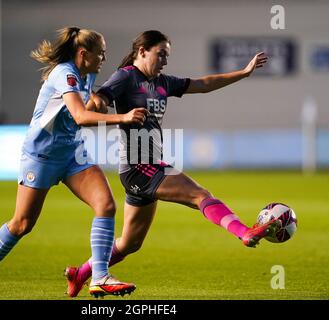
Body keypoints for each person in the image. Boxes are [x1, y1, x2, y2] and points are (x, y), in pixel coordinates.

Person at [64, 30, 281, 297]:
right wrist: (96, 103)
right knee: (200, 195)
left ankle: (80, 274)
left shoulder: (164, 82)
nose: (165, 60)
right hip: (139, 167)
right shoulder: (126, 76)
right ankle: (245, 232)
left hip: (149, 166)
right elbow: (101, 98)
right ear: (142, 51)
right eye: (161, 54)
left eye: (167, 55)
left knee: (130, 243)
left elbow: (203, 84)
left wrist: (243, 72)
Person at [0, 27, 147, 300]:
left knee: (106, 205)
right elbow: (79, 115)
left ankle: (99, 276)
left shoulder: (88, 74)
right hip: (41, 155)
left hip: (72, 153)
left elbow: (87, 105)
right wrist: (122, 118)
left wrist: (104, 100)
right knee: (22, 224)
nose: (104, 58)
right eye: (100, 53)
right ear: (82, 54)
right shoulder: (64, 73)